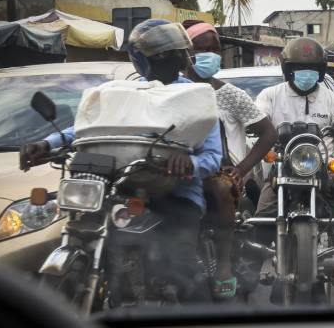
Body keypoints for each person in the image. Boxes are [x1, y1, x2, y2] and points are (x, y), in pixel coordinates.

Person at [19, 19, 223, 302]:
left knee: (181, 267)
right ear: (141, 60)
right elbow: (85, 127)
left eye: (172, 54)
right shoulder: (122, 92)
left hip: (175, 193)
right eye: (160, 55)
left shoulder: (198, 97)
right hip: (119, 188)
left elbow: (213, 158)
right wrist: (46, 143)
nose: (170, 60)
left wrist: (189, 163)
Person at [252, 37, 334, 304]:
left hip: (327, 172)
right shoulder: (270, 96)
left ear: (322, 71)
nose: (305, 73)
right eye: (299, 68)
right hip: (282, 170)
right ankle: (242, 285)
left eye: (311, 68)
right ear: (288, 70)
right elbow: (259, 125)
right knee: (260, 221)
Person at [182, 20, 277, 299]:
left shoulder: (230, 95)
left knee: (222, 189)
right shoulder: (172, 90)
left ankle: (224, 264)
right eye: (202, 49)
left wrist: (241, 169)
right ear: (186, 54)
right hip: (182, 170)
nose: (209, 54)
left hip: (223, 176)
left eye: (215, 49)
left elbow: (268, 133)